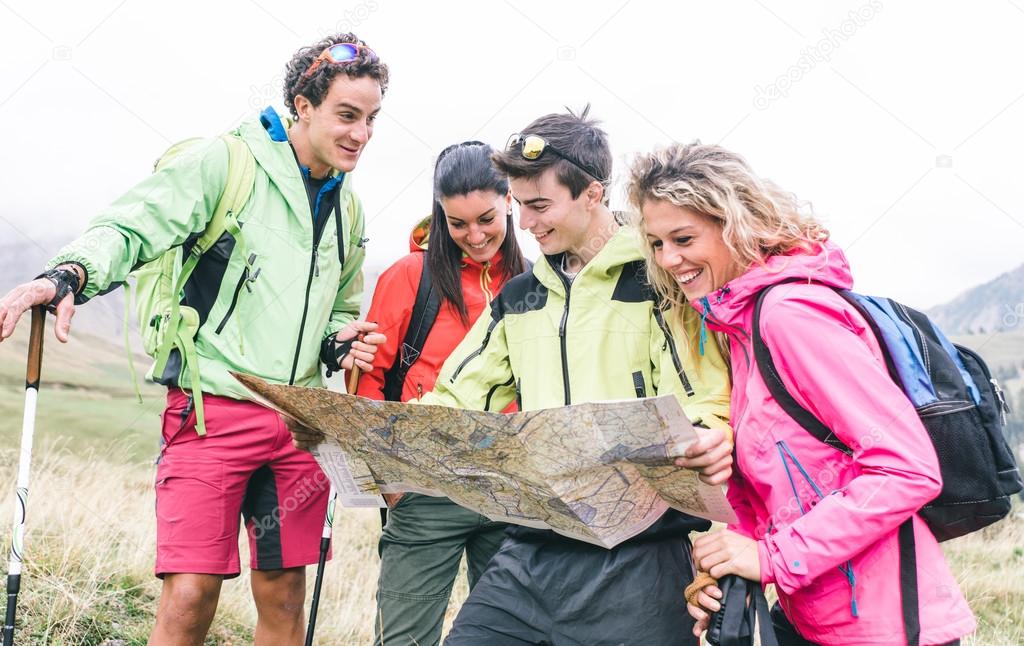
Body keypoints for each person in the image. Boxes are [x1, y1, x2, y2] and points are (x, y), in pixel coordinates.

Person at [0, 33, 389, 646]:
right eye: (347, 115)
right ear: (303, 105)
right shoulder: (225, 163)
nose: (361, 134)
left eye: (370, 119)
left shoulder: (351, 210)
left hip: (298, 426)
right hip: (211, 412)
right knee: (190, 593)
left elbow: (337, 308)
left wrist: (339, 345)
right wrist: (69, 273)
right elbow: (134, 224)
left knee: (285, 593)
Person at [396, 107, 734, 646]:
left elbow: (706, 404)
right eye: (520, 207)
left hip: (639, 562)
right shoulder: (518, 297)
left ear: (592, 194)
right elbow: (454, 397)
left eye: (539, 206)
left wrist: (710, 439)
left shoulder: (659, 282)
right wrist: (361, 432)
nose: (524, 225)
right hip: (530, 552)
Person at [631, 141, 976, 646]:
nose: (669, 259)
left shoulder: (790, 316)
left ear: (736, 224)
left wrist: (771, 558)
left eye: (683, 238)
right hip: (816, 612)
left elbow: (906, 467)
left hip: (885, 625)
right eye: (657, 243)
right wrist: (732, 559)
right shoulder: (742, 327)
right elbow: (788, 482)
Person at [356, 140, 529, 646]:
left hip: (509, 491)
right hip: (423, 489)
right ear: (440, 214)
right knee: (404, 641)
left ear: (510, 202)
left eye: (486, 218)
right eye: (457, 223)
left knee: (509, 639)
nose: (474, 236)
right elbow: (369, 378)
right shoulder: (410, 276)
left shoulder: (533, 281)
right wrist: (390, 482)